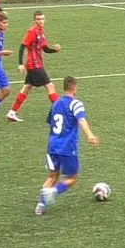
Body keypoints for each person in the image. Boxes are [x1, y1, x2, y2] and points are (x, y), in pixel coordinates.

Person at [35, 76, 101, 216]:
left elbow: (51, 122)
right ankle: (54, 191)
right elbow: (81, 119)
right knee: (72, 178)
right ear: (74, 88)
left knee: (53, 175)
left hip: (52, 145)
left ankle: (40, 205)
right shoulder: (76, 104)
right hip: (67, 147)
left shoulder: (56, 103)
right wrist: (90, 135)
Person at [6, 11, 62, 122]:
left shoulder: (41, 32)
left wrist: (55, 50)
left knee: (26, 88)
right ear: (35, 20)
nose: (41, 21)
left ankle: (12, 112)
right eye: (38, 19)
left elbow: (45, 48)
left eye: (42, 19)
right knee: (50, 86)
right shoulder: (32, 31)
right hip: (34, 65)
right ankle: (61, 112)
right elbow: (22, 46)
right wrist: (20, 63)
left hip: (35, 65)